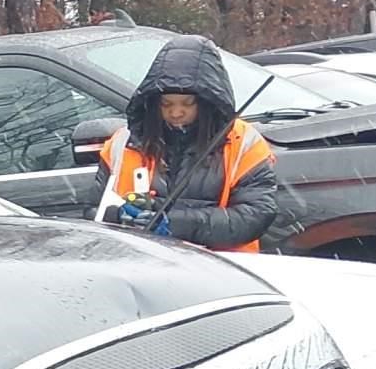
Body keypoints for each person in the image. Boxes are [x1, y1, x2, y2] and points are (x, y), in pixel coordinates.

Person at [92, 34, 284, 253]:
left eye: (187, 103)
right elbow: (93, 212)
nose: (176, 112)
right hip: (141, 268)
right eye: (166, 104)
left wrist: (175, 224)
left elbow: (254, 217)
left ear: (206, 101)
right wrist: (119, 216)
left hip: (223, 272)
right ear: (154, 104)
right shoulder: (123, 143)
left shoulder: (244, 143)